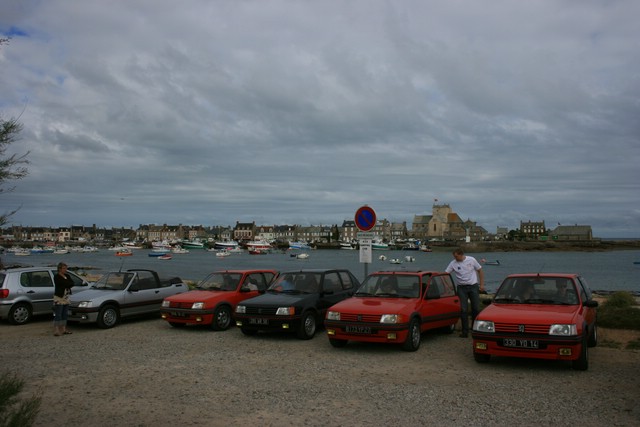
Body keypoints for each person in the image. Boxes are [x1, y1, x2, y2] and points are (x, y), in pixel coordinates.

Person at [445, 248, 485, 338]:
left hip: (473, 286)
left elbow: (480, 270)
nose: (455, 258)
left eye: (456, 256)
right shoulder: (453, 263)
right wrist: (449, 286)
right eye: (454, 256)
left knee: (475, 308)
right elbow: (446, 274)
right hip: (461, 288)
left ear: (461, 254)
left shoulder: (472, 260)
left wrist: (481, 284)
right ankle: (465, 331)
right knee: (463, 310)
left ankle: (476, 330)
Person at [53, 262, 74, 336]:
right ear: (59, 269)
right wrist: (67, 283)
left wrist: (67, 283)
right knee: (58, 314)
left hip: (66, 297)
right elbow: (63, 283)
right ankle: (56, 330)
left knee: (65, 314)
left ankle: (64, 329)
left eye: (66, 268)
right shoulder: (57, 276)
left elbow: (72, 283)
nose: (65, 270)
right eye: (64, 268)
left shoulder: (67, 276)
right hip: (59, 297)